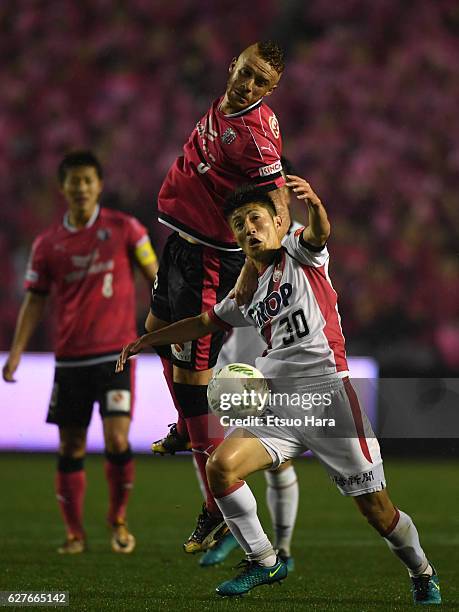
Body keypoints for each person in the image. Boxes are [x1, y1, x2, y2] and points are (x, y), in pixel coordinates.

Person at [116, 177, 441, 604]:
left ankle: (422, 571)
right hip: (279, 405)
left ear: (275, 222)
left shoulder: (298, 253)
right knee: (220, 468)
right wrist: (146, 340)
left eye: (255, 219)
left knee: (378, 512)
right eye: (238, 224)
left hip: (329, 401)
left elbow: (319, 233)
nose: (248, 229)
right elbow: (203, 323)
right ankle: (264, 560)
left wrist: (317, 205)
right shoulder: (245, 292)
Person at [147, 40, 290, 553]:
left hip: (210, 259)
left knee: (192, 380)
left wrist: (270, 260)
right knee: (154, 333)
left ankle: (218, 502)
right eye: (245, 73)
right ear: (235, 65)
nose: (247, 85)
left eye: (259, 82)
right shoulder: (230, 106)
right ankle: (189, 427)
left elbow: (278, 200)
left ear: (269, 89)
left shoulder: (254, 137)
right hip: (181, 245)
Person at [2, 151, 158, 554]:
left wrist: (166, 328)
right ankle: (74, 533)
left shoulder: (126, 229)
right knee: (71, 447)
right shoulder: (47, 244)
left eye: (88, 180)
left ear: (99, 185)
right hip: (71, 359)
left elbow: (154, 276)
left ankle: (118, 519)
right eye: (74, 180)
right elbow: (34, 300)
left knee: (117, 438)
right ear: (63, 187)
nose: (81, 187)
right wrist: (16, 351)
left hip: (116, 356)